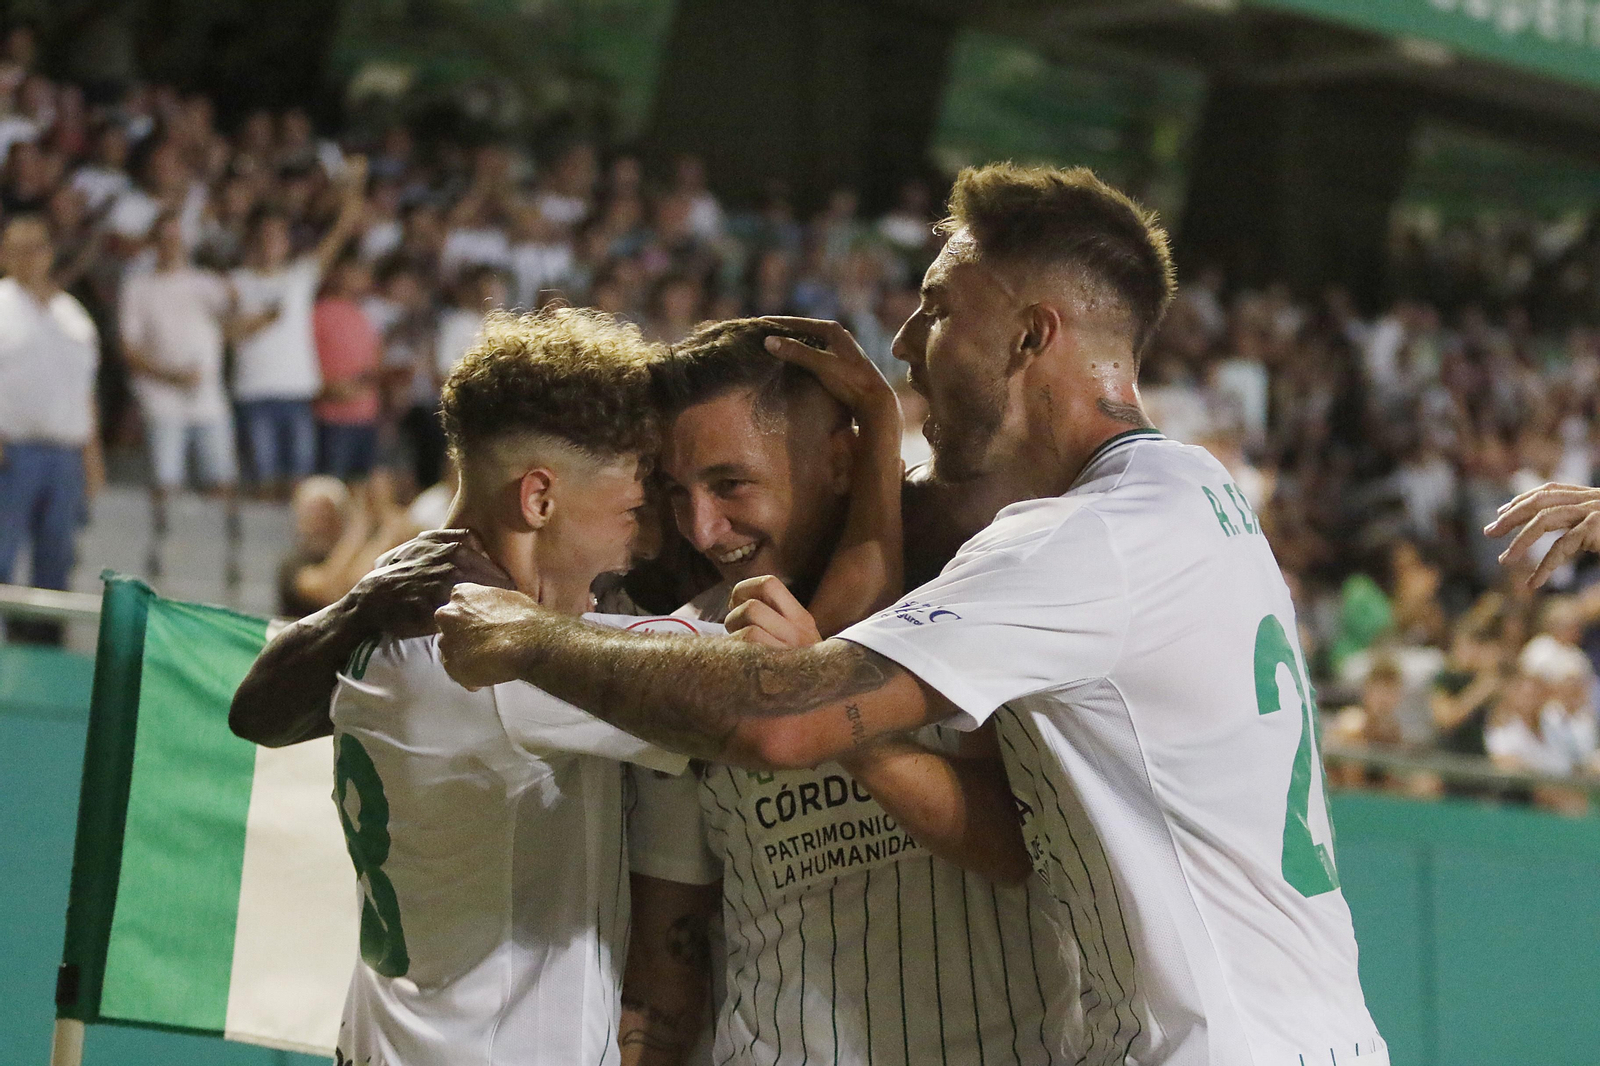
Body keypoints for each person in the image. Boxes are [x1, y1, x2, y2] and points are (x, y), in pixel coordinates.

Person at [433, 164, 1388, 1065]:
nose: (901, 342)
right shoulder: (1191, 491)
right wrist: (880, 441)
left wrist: (524, 634)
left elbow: (784, 713)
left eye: (937, 310)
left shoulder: (1077, 542)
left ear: (1029, 336)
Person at [625, 318, 1079, 1064]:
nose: (703, 530)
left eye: (731, 484)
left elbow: (1010, 847)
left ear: (838, 461)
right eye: (680, 493)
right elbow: (665, 949)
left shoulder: (972, 610)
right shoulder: (688, 648)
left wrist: (833, 717)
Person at [327, 306, 705, 1066]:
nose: (645, 543)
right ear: (539, 499)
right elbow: (771, 675)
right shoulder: (504, 663)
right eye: (632, 511)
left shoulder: (390, 615)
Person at [231, 154, 366, 496]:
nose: (270, 242)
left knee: (301, 485)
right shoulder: (236, 282)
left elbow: (341, 231)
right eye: (264, 235)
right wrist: (260, 322)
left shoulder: (299, 277)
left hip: (296, 391)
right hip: (255, 391)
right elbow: (226, 332)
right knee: (263, 482)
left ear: (286, 241)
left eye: (277, 236)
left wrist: (354, 186)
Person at [0, 215, 102, 644]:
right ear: (5, 253)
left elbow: (85, 391)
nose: (30, 257)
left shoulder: (71, 315)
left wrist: (92, 457)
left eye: (38, 247)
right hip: (12, 449)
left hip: (65, 453)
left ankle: (43, 645)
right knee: (2, 553)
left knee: (57, 558)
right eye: (19, 248)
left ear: (49, 254)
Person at [119, 209, 240, 563]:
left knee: (222, 479)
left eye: (177, 238)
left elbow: (234, 316)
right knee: (165, 481)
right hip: (162, 402)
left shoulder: (205, 283)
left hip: (209, 402)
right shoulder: (139, 287)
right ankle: (162, 554)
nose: (171, 245)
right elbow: (130, 349)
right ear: (154, 243)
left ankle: (221, 556)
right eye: (164, 238)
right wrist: (172, 375)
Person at [313, 252, 382, 479]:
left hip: (366, 416)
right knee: (332, 488)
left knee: (362, 490)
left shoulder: (363, 314)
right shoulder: (318, 313)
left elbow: (373, 362)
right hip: (332, 418)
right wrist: (326, 388)